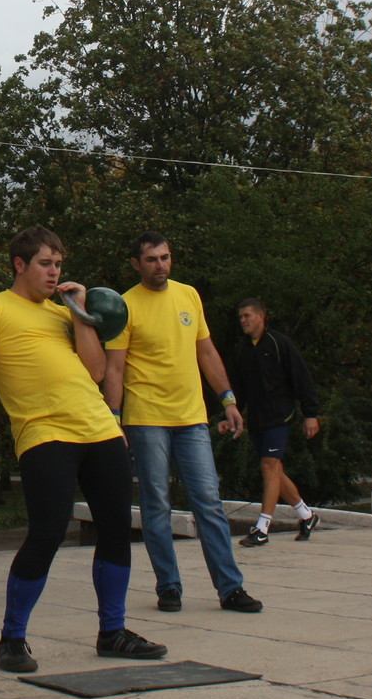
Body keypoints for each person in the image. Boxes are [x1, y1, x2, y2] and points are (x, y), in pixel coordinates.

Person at [0, 226, 167, 674]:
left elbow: (95, 371)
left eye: (58, 265)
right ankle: (12, 638)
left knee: (115, 529)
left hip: (99, 429)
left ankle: (112, 632)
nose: (54, 273)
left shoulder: (63, 313)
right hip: (44, 433)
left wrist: (79, 313)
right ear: (20, 265)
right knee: (47, 532)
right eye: (45, 264)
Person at [102, 232, 258, 613]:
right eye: (152, 259)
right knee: (156, 505)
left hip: (191, 418)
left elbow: (205, 350)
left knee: (209, 502)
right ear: (137, 264)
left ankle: (230, 588)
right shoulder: (125, 305)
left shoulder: (188, 295)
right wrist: (114, 420)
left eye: (166, 257)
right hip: (147, 419)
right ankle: (168, 586)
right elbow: (116, 367)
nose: (161, 265)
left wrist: (228, 400)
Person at [229, 298, 323, 549]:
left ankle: (262, 528)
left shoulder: (280, 343)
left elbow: (302, 377)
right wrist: (231, 414)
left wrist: (310, 414)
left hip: (281, 416)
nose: (244, 321)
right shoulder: (242, 350)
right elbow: (238, 389)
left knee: (269, 466)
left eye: (248, 315)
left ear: (262, 316)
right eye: (241, 317)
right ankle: (307, 516)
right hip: (257, 419)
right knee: (275, 470)